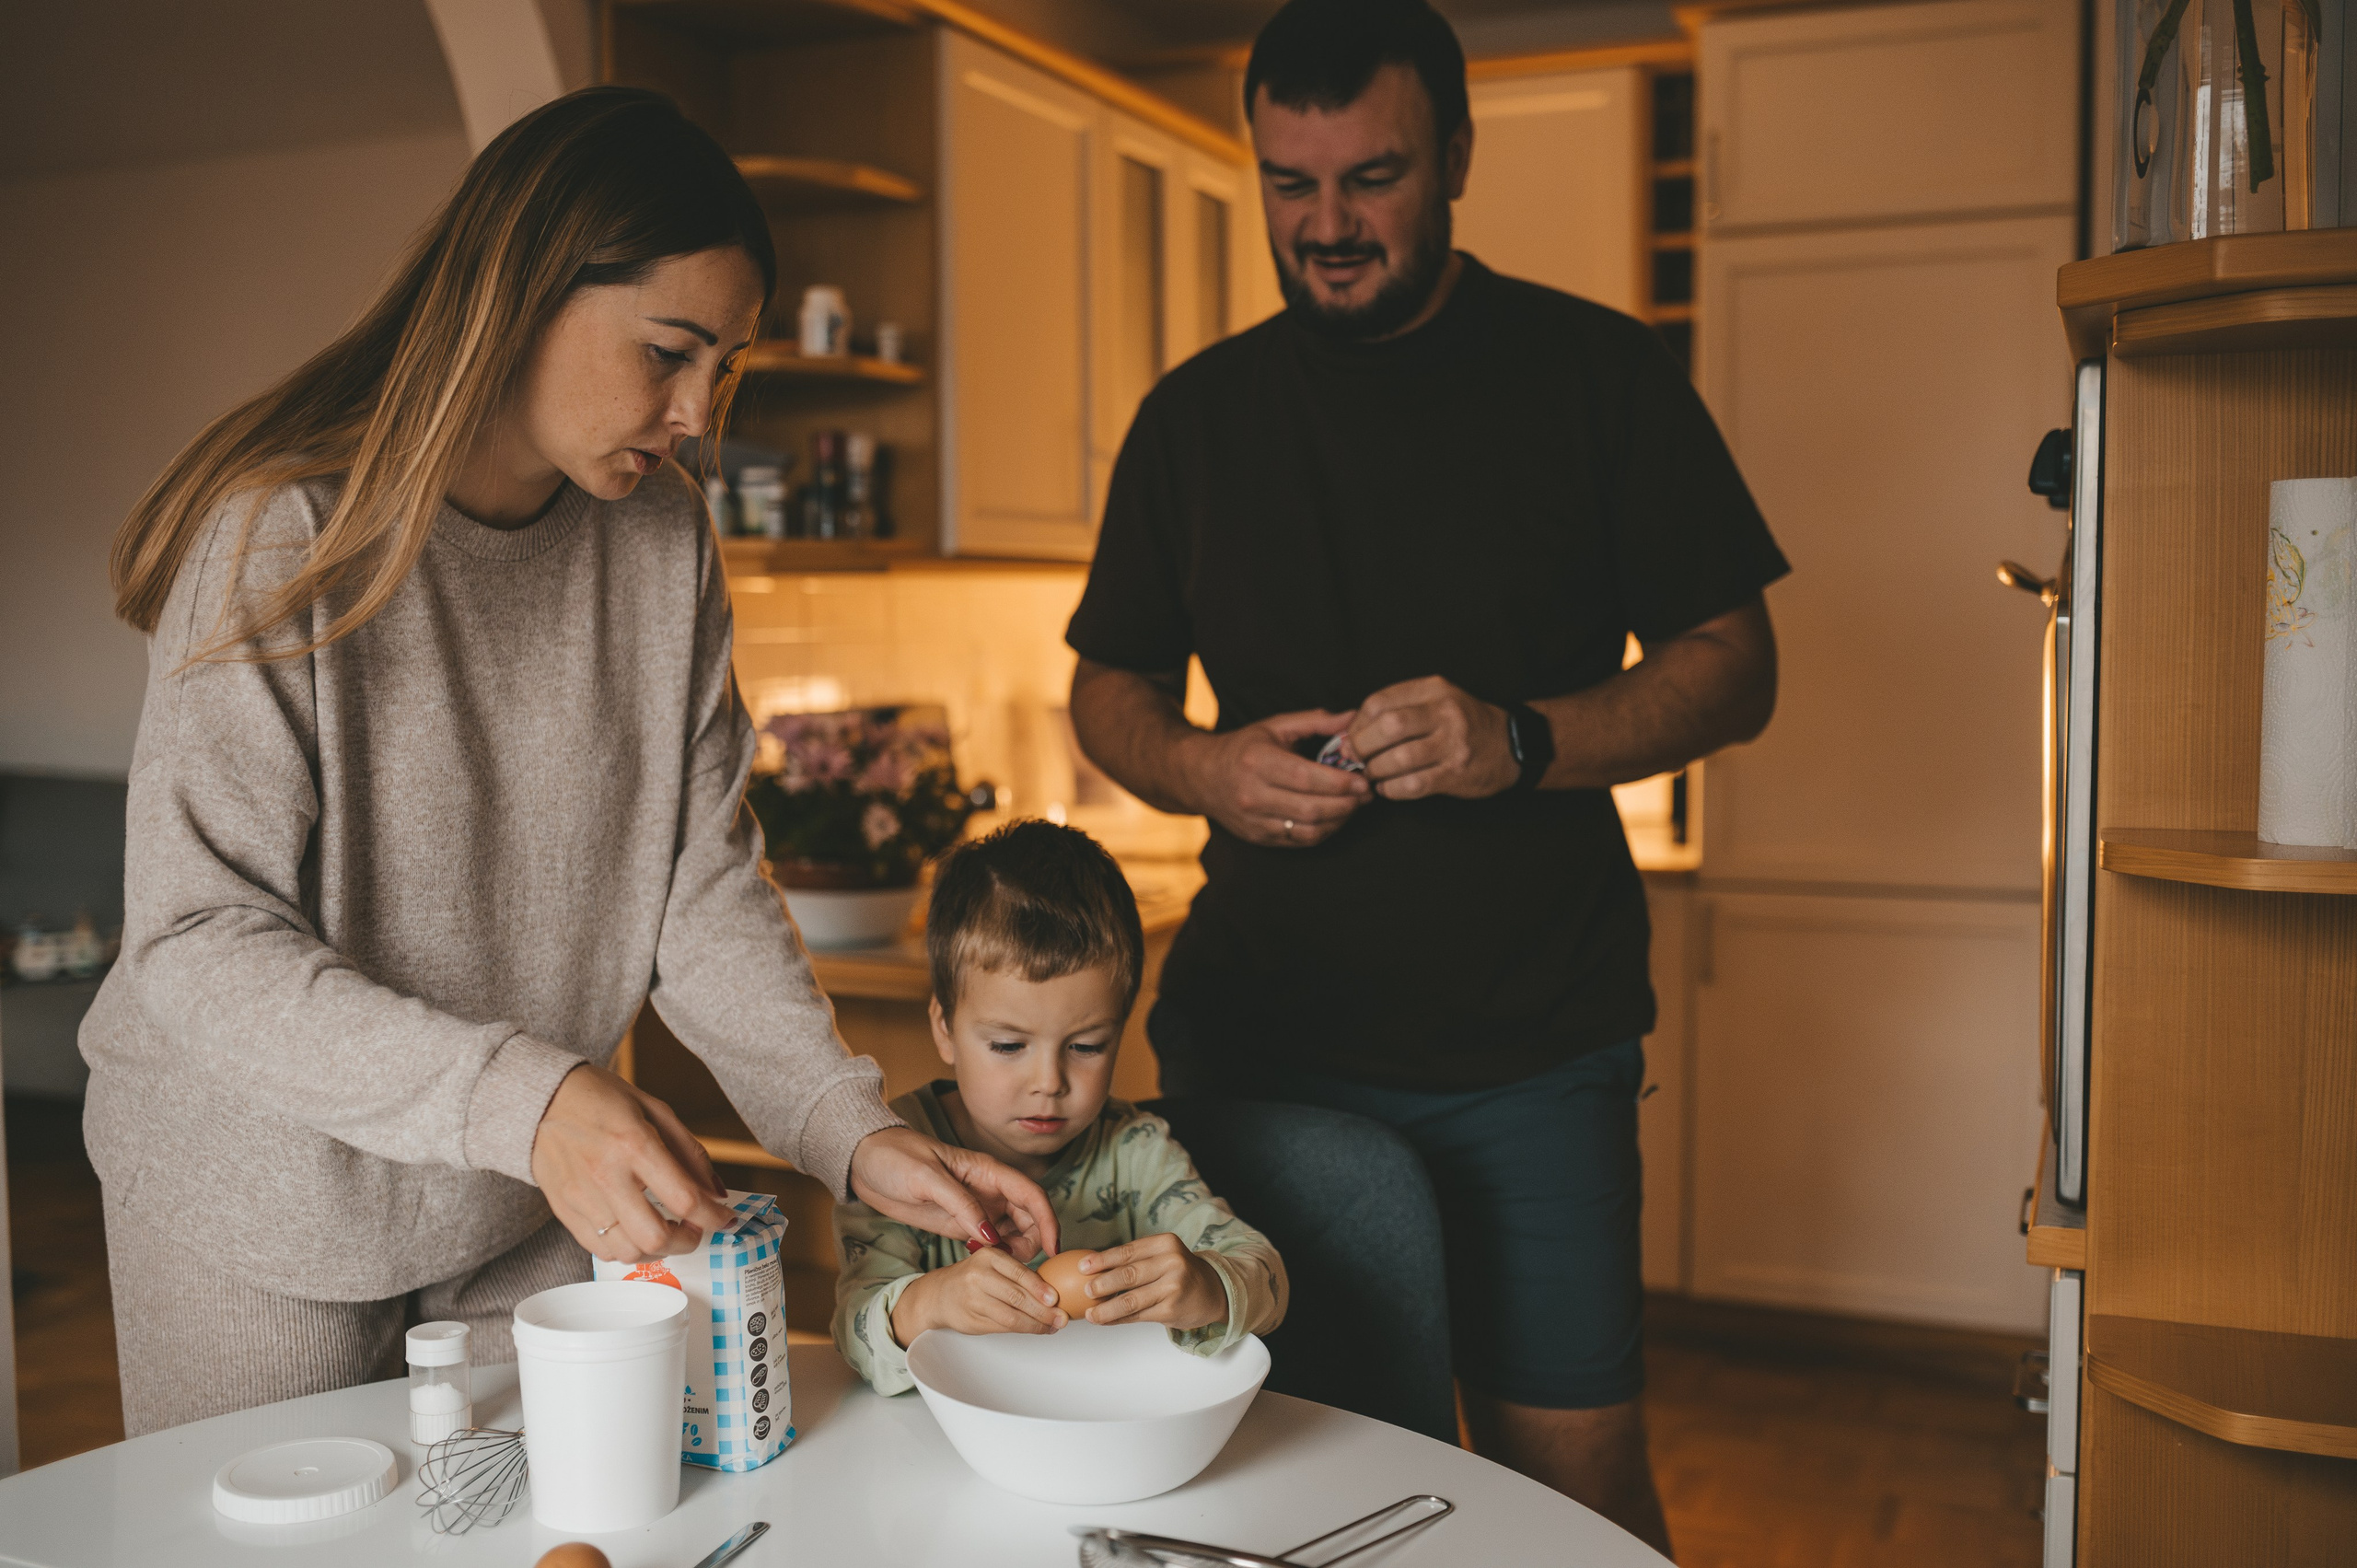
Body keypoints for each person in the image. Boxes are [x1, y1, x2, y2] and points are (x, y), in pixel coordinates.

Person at [85, 87, 1055, 1437]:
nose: (696, 411)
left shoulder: (661, 539)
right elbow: (196, 939)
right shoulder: (283, 532)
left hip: (517, 1199)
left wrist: (850, 1129)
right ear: (521, 295)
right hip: (263, 1204)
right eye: (668, 353)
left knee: (569, 1520)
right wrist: (528, 1100)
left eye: (724, 365)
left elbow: (700, 888)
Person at [1064, 0, 1789, 1553]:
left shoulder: (1599, 375)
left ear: (1457, 155)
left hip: (1533, 1049)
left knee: (1569, 1487)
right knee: (1283, 1472)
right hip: (1262, 1053)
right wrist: (1202, 765)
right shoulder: (1194, 418)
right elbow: (1106, 691)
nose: (1326, 224)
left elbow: (1737, 662)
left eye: (1372, 178)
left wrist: (1520, 740)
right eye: (1290, 183)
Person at [831, 820, 1286, 1395]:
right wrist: (932, 1301)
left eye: (1087, 1046)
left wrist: (1208, 1286)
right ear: (944, 1028)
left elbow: (1266, 1276)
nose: (1049, 1083)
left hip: (1104, 1414)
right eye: (1008, 1046)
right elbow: (853, 1333)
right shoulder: (900, 1156)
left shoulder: (1136, 1151)